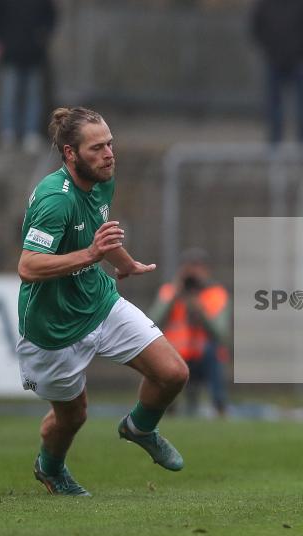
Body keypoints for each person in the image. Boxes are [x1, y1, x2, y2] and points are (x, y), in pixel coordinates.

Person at [17, 107, 189, 497]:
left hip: (99, 303)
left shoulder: (102, 181)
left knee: (173, 373)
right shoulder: (53, 200)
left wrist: (125, 264)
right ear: (69, 154)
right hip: (52, 327)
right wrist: (92, 256)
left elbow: (97, 234)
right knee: (72, 416)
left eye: (110, 144)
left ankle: (139, 427)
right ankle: (51, 466)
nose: (109, 154)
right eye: (97, 148)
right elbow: (28, 266)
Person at [149, 248, 231, 418]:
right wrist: (174, 297)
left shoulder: (215, 294)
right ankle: (166, 406)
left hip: (203, 356)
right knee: (158, 355)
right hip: (176, 356)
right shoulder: (170, 291)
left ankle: (220, 406)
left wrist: (200, 310)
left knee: (213, 351)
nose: (193, 273)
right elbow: (151, 323)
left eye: (197, 268)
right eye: (189, 268)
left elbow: (220, 333)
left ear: (206, 271)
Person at [248, 0, 303, 145]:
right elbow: (255, 26)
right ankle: (274, 149)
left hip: (300, 61)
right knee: (274, 110)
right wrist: (269, 49)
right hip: (274, 61)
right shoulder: (264, 4)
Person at [0, 0, 57, 152]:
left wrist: (44, 35)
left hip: (34, 55)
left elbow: (51, 17)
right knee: (9, 95)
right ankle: (9, 132)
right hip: (10, 55)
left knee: (33, 96)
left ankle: (30, 133)